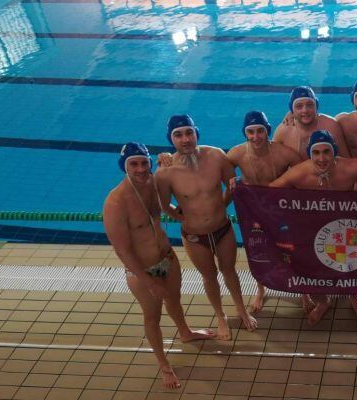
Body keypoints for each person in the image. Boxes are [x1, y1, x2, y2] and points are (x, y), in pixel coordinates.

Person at [103, 142, 216, 389]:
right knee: (152, 316)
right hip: (142, 271)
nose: (141, 169)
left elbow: (177, 180)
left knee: (174, 300)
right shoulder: (116, 202)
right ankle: (164, 366)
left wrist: (166, 157)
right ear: (124, 166)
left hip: (167, 258)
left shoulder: (154, 183)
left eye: (145, 163)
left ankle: (185, 332)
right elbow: (122, 249)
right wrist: (149, 281)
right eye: (134, 164)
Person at [155, 115, 257, 340]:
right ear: (171, 139)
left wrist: (220, 206)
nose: (185, 139)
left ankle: (241, 310)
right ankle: (220, 317)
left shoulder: (216, 156)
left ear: (196, 133)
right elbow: (164, 206)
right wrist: (183, 217)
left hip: (222, 228)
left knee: (229, 270)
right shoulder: (165, 172)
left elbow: (232, 186)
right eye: (178, 135)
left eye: (189, 133)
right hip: (194, 235)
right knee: (209, 276)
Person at [270, 130, 357, 325]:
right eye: (316, 153)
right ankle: (323, 301)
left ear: (334, 152)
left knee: (353, 266)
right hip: (311, 231)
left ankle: (354, 297)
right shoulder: (299, 173)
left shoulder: (349, 168)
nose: (321, 158)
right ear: (310, 154)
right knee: (306, 272)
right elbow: (265, 193)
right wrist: (240, 187)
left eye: (326, 152)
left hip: (344, 228)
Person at [227, 111, 301, 314]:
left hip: (279, 209)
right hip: (253, 209)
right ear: (245, 133)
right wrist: (233, 179)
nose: (256, 136)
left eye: (260, 131)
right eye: (250, 132)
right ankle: (260, 288)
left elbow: (302, 171)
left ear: (267, 131)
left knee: (291, 248)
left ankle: (303, 291)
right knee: (257, 250)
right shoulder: (237, 153)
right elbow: (222, 168)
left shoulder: (283, 153)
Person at [273, 85, 350, 160]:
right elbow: (274, 162)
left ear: (316, 106)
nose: (305, 110)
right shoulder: (283, 131)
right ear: (292, 109)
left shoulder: (331, 126)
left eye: (310, 105)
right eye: (299, 106)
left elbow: (346, 161)